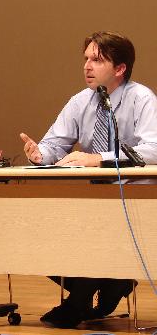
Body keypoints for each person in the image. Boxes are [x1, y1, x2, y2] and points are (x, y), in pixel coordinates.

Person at [20, 31, 157, 328]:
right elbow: (54, 144)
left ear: (120, 68)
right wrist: (40, 154)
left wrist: (101, 158)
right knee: (33, 230)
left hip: (136, 202)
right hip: (95, 200)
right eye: (86, 59)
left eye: (97, 60)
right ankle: (112, 282)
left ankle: (79, 301)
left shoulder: (142, 99)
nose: (87, 66)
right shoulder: (80, 101)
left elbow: (153, 150)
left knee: (98, 230)